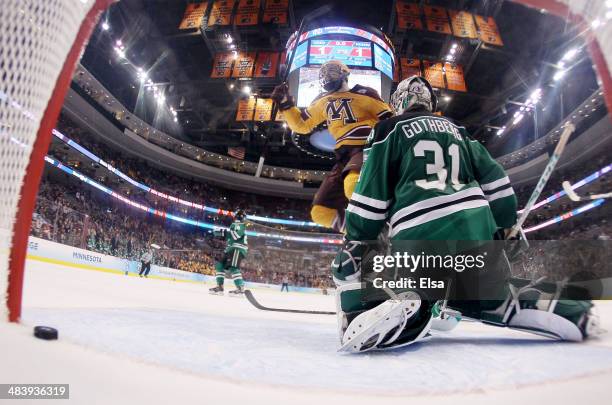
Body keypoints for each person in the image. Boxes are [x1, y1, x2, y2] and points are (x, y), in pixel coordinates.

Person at [332, 76, 601, 353]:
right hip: (478, 231)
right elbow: (496, 180)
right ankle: (573, 310)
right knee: (490, 294)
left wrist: (357, 238)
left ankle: (404, 306)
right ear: (429, 101)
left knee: (354, 265)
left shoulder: (387, 128)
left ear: (398, 101)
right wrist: (506, 226)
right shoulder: (459, 130)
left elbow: (370, 198)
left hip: (421, 236)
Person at [272, 60, 393, 232]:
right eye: (325, 74)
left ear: (345, 74)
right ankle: (359, 232)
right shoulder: (322, 101)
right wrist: (285, 104)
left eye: (332, 72)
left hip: (367, 148)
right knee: (320, 212)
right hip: (344, 156)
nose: (328, 76)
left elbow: (390, 120)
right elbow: (300, 124)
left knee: (352, 185)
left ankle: (381, 224)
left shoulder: (366, 93)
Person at [209, 209, 248, 296]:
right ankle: (220, 287)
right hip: (231, 248)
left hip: (237, 248)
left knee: (233, 267)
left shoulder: (239, 224)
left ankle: (240, 288)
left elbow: (235, 235)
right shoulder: (236, 224)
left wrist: (223, 233)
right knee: (220, 265)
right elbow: (231, 236)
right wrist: (221, 235)